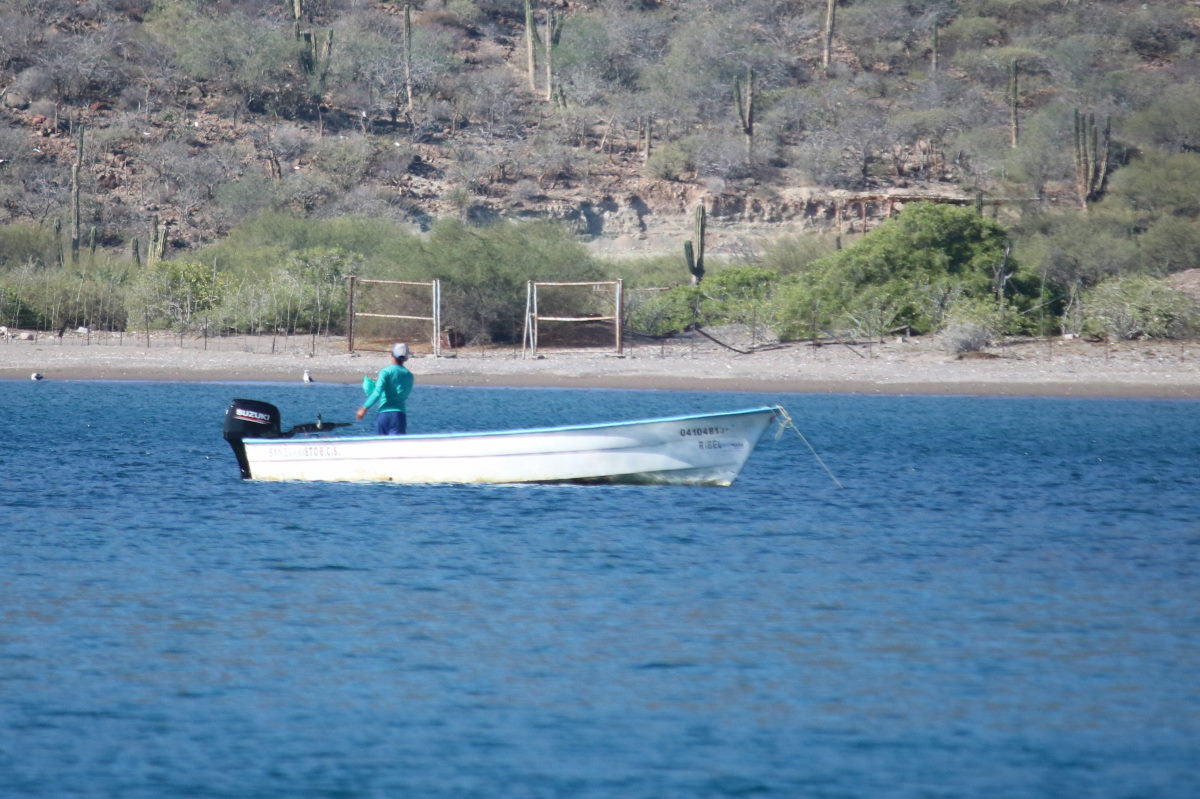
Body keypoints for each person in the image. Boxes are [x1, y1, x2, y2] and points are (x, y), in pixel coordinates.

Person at [356, 342, 414, 435]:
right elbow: (404, 395)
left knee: (383, 443)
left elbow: (377, 393)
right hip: (399, 415)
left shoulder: (385, 372)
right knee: (398, 443)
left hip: (384, 415)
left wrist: (364, 408)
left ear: (392, 354)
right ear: (406, 358)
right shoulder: (409, 376)